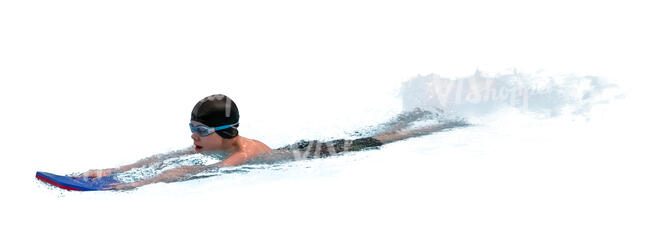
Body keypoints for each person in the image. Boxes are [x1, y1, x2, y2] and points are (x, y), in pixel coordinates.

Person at [79, 94, 466, 190]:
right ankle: (418, 110)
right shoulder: (216, 144)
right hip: (299, 147)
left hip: (319, 153)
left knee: (388, 138)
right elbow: (166, 157)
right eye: (192, 128)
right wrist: (114, 169)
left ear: (225, 131)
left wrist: (137, 186)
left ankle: (440, 124)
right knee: (384, 130)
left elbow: (188, 174)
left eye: (200, 131)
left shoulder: (240, 154)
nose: (192, 137)